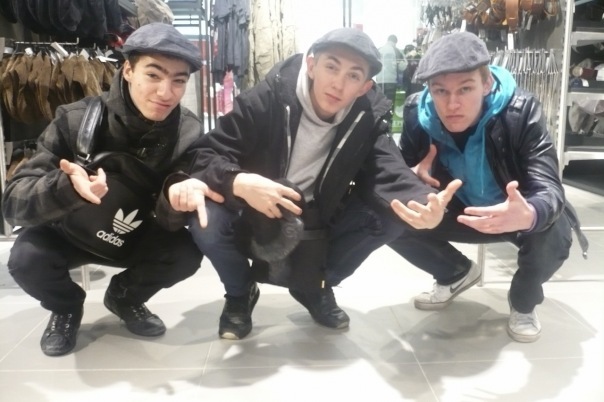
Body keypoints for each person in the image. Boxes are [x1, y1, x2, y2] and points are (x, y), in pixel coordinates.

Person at [186, 27, 461, 340]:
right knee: (205, 218)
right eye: (331, 67)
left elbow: (388, 167)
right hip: (255, 208)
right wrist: (240, 182)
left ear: (365, 87)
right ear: (311, 65)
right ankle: (240, 293)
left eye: (353, 75)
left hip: (317, 215)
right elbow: (206, 154)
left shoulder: (367, 116)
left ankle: (315, 286)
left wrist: (424, 202)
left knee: (392, 215)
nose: (338, 84)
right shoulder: (267, 98)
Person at [1, 22, 223, 356]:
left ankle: (124, 296)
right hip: (71, 230)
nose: (166, 92)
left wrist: (176, 199)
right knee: (26, 259)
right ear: (128, 70)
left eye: (179, 80)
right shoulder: (75, 119)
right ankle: (66, 307)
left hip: (136, 230)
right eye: (153, 75)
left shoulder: (188, 131)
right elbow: (13, 202)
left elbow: (173, 213)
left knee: (185, 255)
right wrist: (64, 187)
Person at [389, 31, 589, 343]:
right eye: (440, 91)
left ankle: (523, 301)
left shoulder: (520, 111)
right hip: (459, 211)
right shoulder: (417, 114)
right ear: (429, 88)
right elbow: (398, 181)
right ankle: (455, 273)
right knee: (386, 216)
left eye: (465, 88)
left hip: (515, 213)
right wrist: (410, 179)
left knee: (554, 230)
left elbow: (549, 186)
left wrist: (531, 213)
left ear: (486, 84)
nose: (452, 104)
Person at [375, 34, 407, 111]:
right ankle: (388, 116)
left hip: (379, 80)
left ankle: (380, 116)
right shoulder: (397, 51)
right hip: (391, 80)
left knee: (380, 102)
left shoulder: (378, 50)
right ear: (396, 42)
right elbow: (402, 66)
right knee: (389, 103)